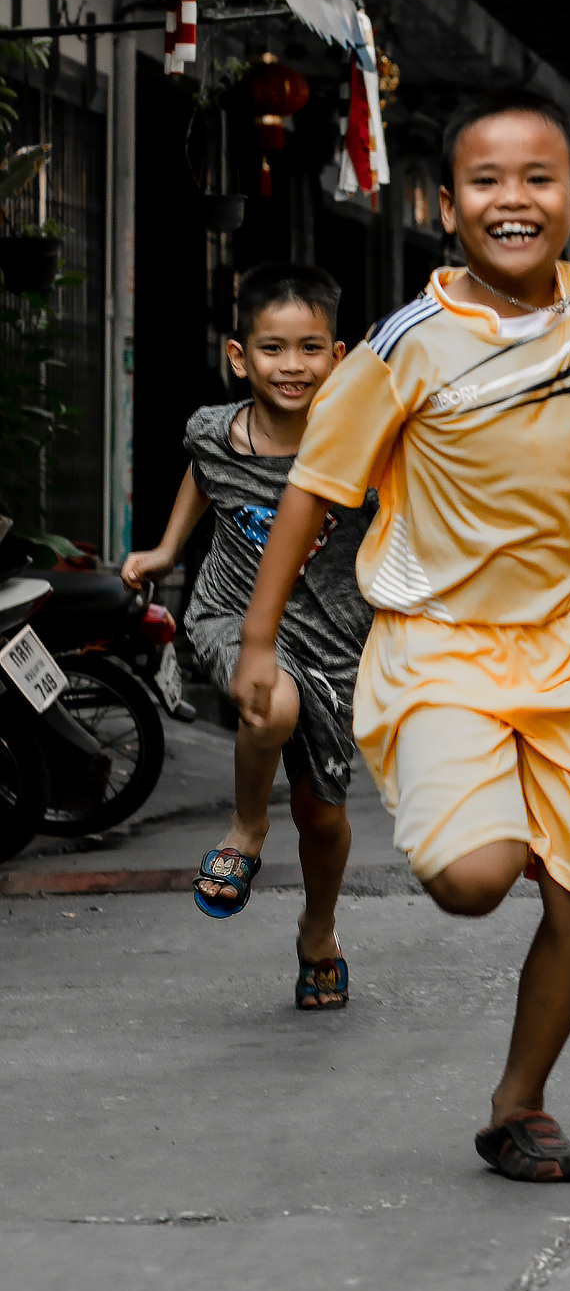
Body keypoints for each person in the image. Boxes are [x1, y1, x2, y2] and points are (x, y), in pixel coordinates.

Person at [228, 90, 570, 1182]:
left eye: (535, 181)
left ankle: (519, 1105)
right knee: (474, 879)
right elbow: (315, 490)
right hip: (436, 648)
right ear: (443, 205)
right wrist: (256, 641)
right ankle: (496, 814)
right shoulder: (401, 346)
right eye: (486, 181)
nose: (510, 201)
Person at [122, 262, 374, 1010]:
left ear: (339, 355)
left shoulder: (363, 446)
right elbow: (205, 474)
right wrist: (168, 549)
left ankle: (318, 934)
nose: (291, 366)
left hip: (333, 643)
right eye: (272, 349)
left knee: (323, 817)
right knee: (272, 703)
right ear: (240, 357)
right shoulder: (215, 430)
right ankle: (245, 824)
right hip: (230, 617)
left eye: (310, 348)